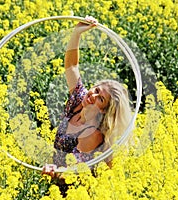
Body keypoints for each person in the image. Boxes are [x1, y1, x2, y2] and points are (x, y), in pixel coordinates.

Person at [43, 16, 133, 193]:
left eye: (100, 99)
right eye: (96, 89)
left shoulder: (94, 134)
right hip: (53, 186)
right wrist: (77, 33)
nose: (93, 95)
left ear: (104, 110)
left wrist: (56, 172)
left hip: (73, 193)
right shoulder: (79, 100)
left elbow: (78, 172)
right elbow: (71, 66)